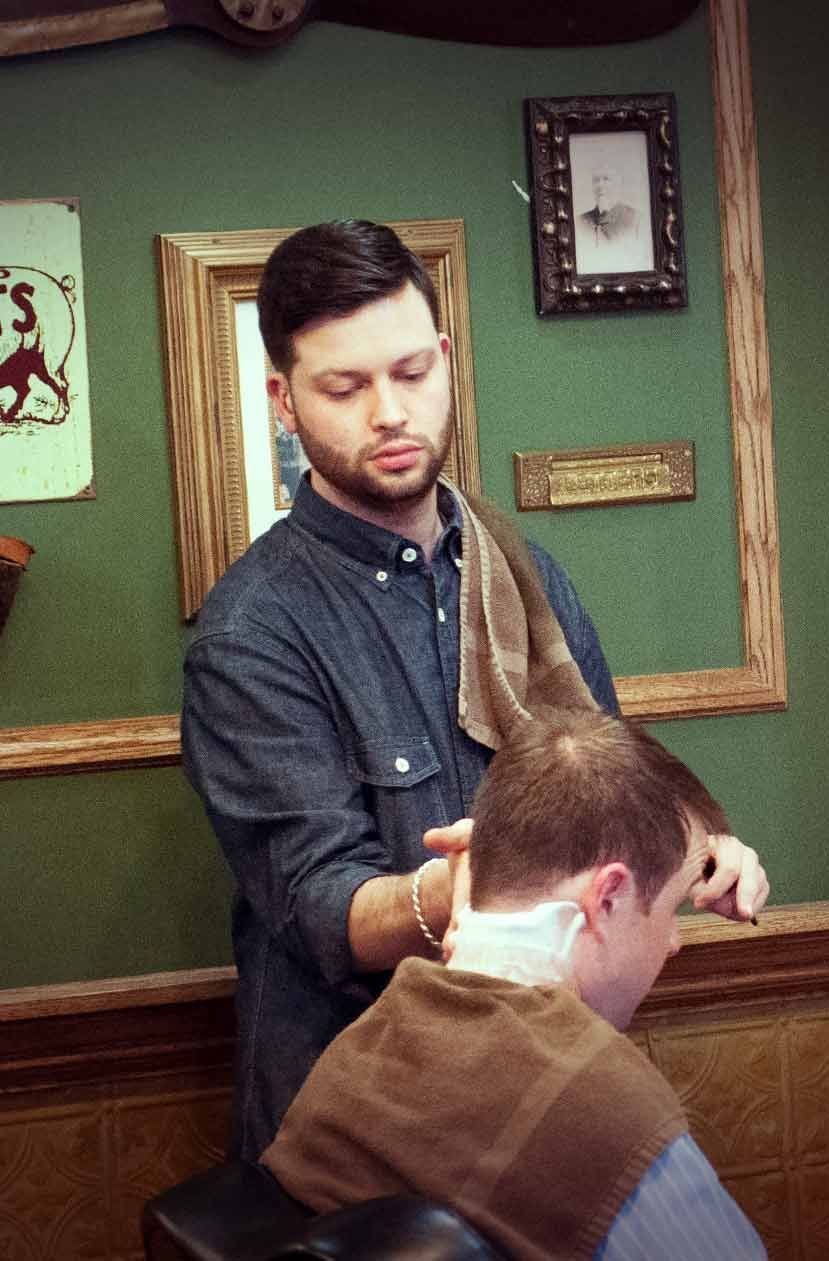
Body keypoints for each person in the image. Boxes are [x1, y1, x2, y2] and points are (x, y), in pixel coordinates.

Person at [181, 220, 768, 1160]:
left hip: (546, 1091)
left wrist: (699, 850)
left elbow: (606, 794)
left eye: (411, 372)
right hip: (361, 1127)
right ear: (282, 403)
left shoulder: (524, 570)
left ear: (446, 360)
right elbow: (318, 909)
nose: (388, 412)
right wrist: (459, 888)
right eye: (345, 386)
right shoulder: (249, 636)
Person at [261, 710, 768, 1260]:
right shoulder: (601, 1106)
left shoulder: (356, 1058)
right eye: (672, 909)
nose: (673, 941)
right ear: (610, 896)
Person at [575, 163, 651, 274]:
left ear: (618, 184)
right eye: (596, 180)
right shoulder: (580, 222)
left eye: (606, 179)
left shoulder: (637, 220)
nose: (600, 185)